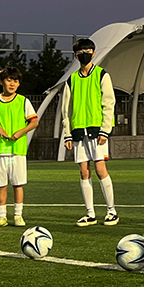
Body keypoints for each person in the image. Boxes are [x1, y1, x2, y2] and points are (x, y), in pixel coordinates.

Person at [61, 38, 119, 227]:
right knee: (83, 171)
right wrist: (67, 133)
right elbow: (66, 110)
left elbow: (109, 103)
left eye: (88, 50)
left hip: (97, 131)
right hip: (78, 131)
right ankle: (90, 213)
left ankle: (112, 211)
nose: (85, 53)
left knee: (100, 169)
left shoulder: (102, 75)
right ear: (76, 55)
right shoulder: (72, 80)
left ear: (94, 53)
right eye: (81, 51)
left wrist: (105, 130)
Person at [0, 67, 40, 227]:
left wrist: (21, 132)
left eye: (15, 80)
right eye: (9, 80)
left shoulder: (23, 101)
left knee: (17, 184)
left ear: (19, 84)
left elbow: (34, 121)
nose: (12, 83)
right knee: (1, 185)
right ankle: (1, 217)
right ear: (1, 81)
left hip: (17, 150)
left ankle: (18, 216)